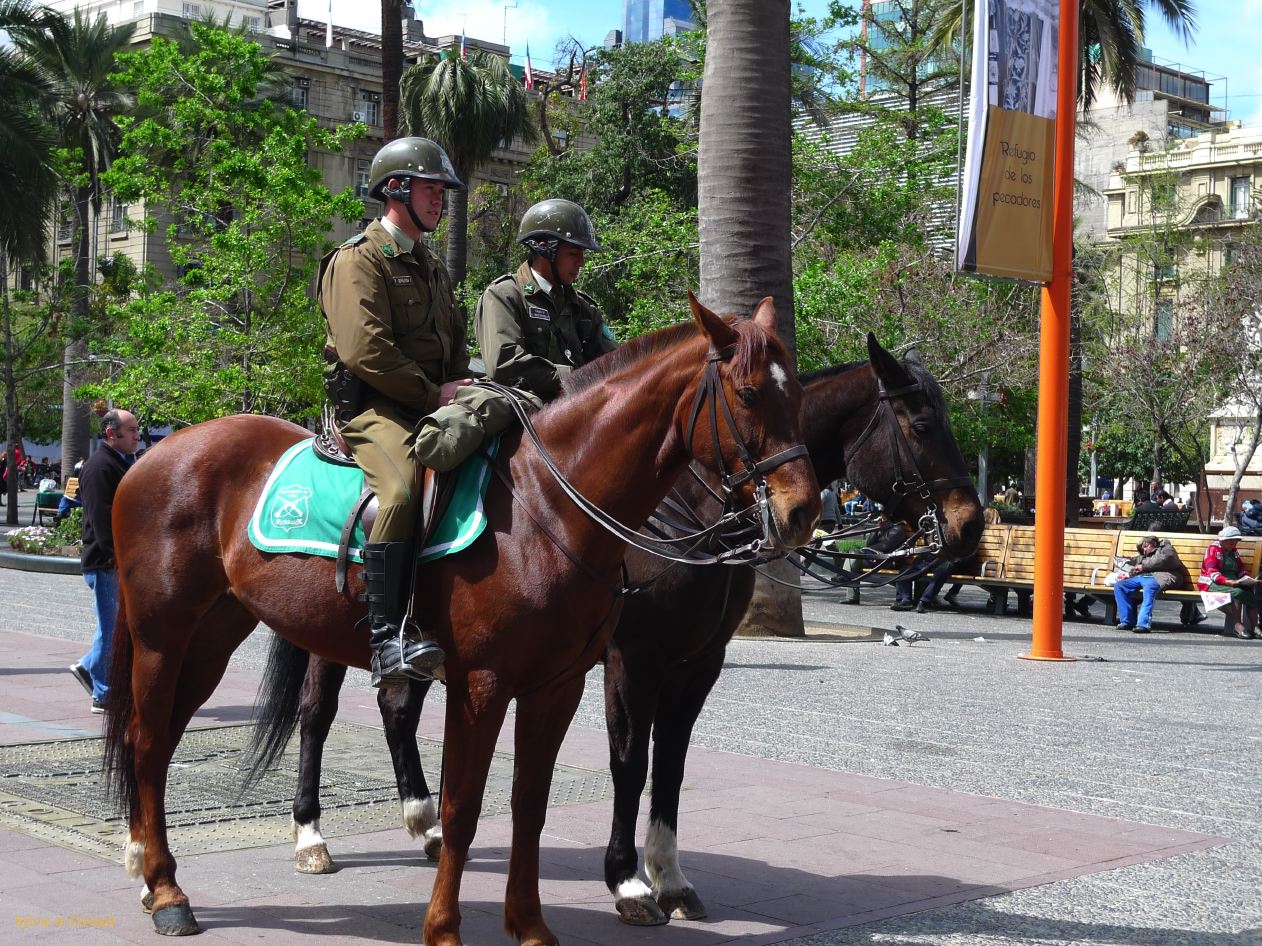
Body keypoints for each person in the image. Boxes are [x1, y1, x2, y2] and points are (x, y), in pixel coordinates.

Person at [318, 136, 472, 688]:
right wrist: (435, 395)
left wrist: (466, 386)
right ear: (397, 189)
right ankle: (388, 637)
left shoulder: (431, 265)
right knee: (403, 492)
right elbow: (365, 350)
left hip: (435, 399)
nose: (440, 200)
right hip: (376, 409)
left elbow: (453, 344)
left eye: (442, 191)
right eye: (431, 189)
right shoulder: (357, 259)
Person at [474, 198, 616, 401]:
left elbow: (615, 361)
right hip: (523, 407)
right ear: (544, 249)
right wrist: (576, 378)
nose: (581, 262)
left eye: (582, 254)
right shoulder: (504, 296)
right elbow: (504, 364)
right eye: (573, 253)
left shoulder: (583, 308)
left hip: (577, 405)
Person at [68, 409, 141, 713]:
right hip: (105, 562)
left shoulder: (119, 462)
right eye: (132, 429)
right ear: (112, 433)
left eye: (137, 429)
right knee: (112, 629)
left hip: (110, 560)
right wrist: (117, 559)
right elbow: (102, 519)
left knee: (112, 627)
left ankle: (89, 668)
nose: (137, 435)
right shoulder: (100, 467)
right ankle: (103, 694)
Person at [1112, 534, 1185, 633]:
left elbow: (1167, 559)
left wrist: (1143, 566)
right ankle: (1127, 621)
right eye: (1142, 549)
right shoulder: (1144, 557)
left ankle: (1143, 624)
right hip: (1145, 577)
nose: (1144, 550)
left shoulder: (1166, 548)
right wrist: (1127, 568)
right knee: (1120, 586)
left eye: (1146, 546)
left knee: (1149, 586)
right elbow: (1136, 563)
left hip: (1164, 576)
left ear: (1153, 543)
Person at [1197, 525, 1259, 640]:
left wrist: (1247, 578)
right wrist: (1227, 581)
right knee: (1237, 592)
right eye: (1231, 543)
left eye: (1235, 543)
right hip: (1212, 582)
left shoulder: (1233, 551)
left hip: (1232, 581)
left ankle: (1255, 627)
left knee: (1249, 592)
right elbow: (1211, 571)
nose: (1234, 545)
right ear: (1224, 540)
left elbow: (1240, 568)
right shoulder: (1213, 549)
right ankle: (1238, 625)